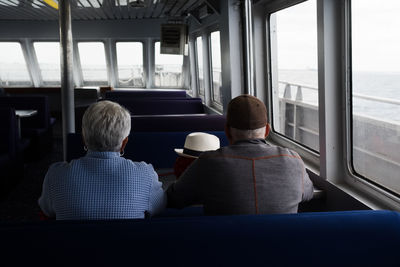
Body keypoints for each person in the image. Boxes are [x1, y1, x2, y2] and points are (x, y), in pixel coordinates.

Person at [167, 94, 314, 215]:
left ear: (227, 131)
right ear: (267, 130)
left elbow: (174, 198)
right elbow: (308, 193)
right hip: (283, 248)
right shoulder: (293, 160)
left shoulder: (208, 162)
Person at [38, 100, 166, 220]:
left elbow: (47, 211)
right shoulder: (145, 175)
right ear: (124, 143)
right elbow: (160, 207)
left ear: (83, 138)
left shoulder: (55, 175)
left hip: (71, 244)